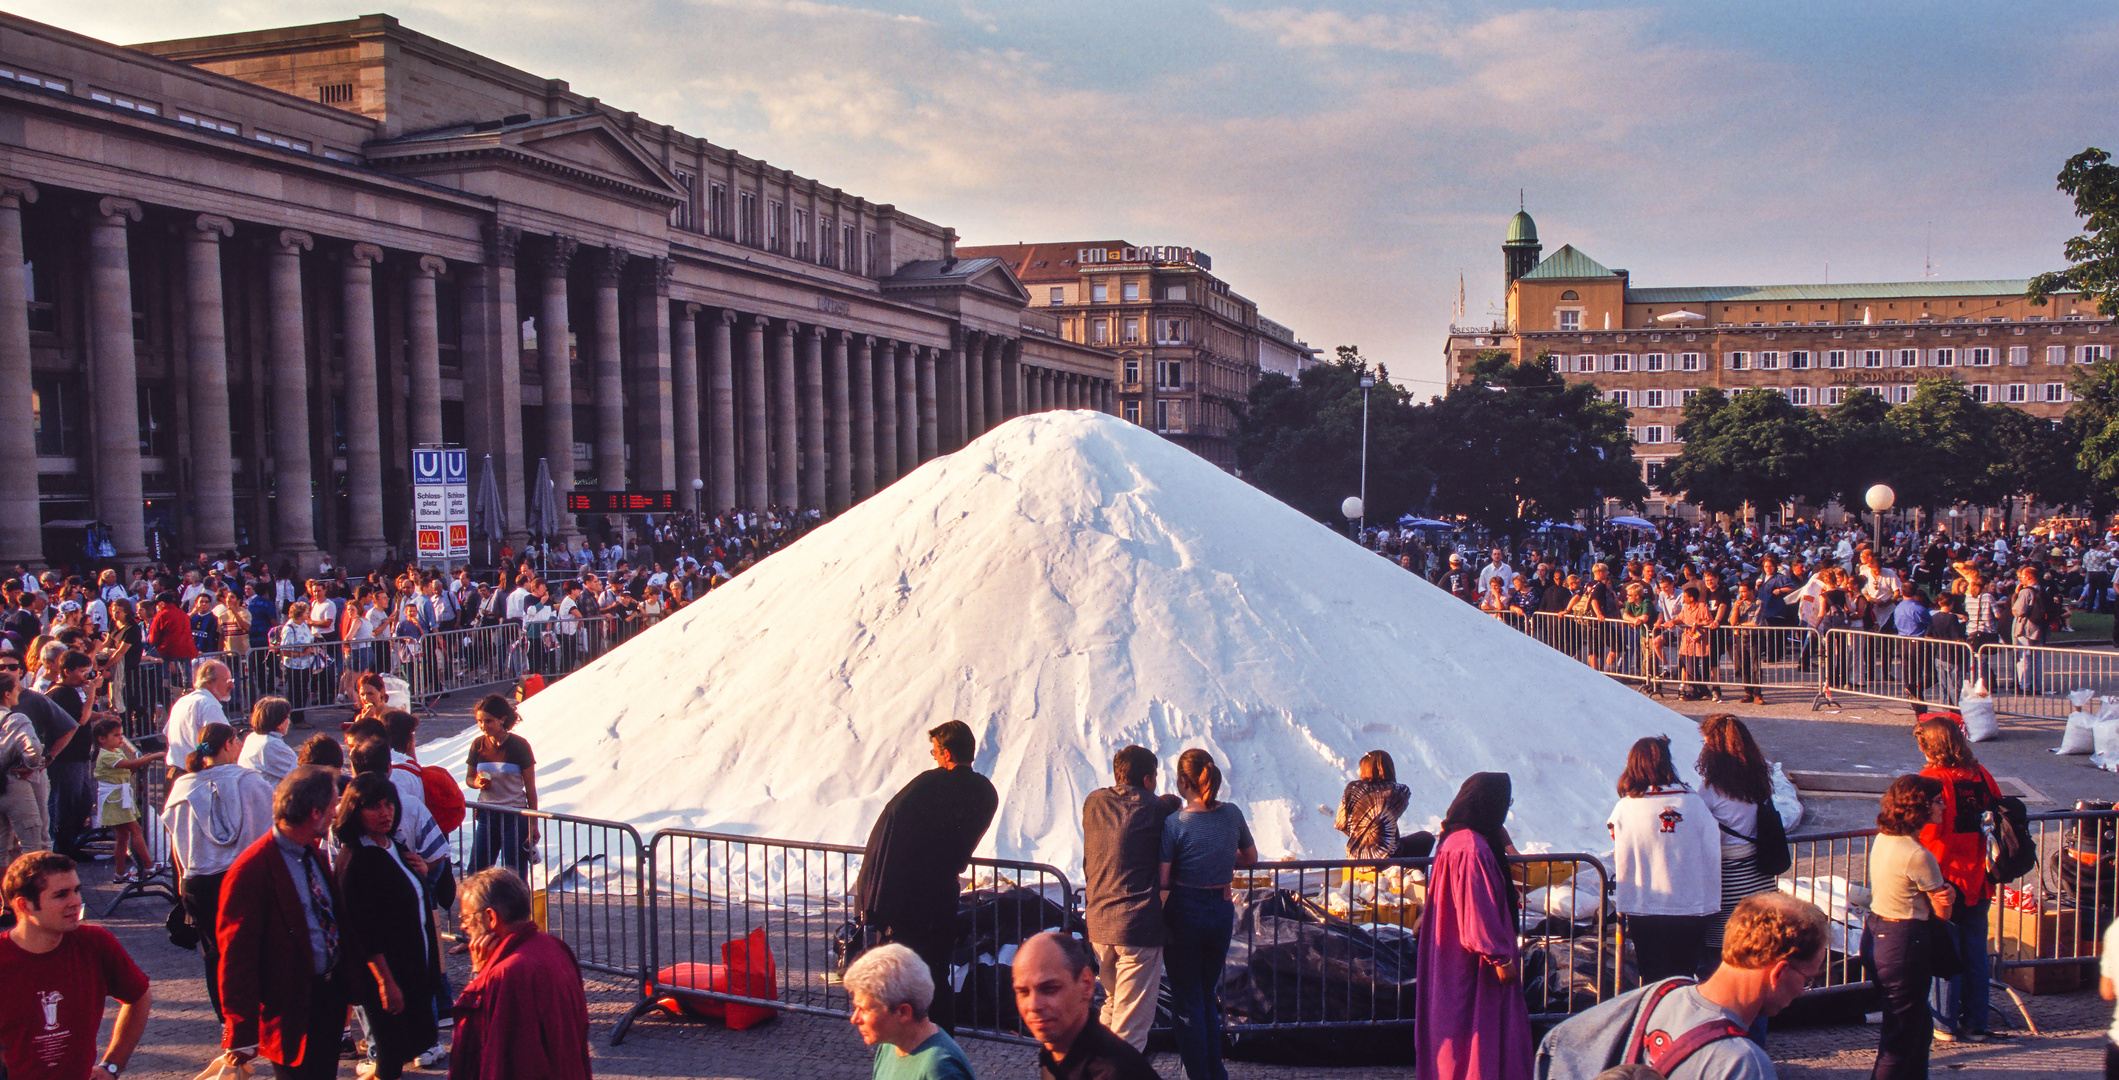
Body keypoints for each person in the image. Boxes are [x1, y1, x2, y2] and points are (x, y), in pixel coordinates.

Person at [1535, 893, 1830, 1080]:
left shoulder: (1657, 995)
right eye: (1808, 978)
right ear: (1778, 971)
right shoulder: (1743, 1065)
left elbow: (1556, 1046)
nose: (1804, 991)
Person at [854, 720, 1000, 1035]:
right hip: (943, 896)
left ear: (946, 754)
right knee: (936, 974)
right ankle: (940, 1039)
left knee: (905, 977)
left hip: (909, 901)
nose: (933, 758)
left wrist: (874, 901)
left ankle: (909, 1042)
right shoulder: (985, 792)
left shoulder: (927, 787)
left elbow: (891, 836)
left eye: (935, 752)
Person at [215, 766, 350, 1080]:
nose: (335, 813)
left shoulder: (310, 852)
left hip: (327, 1001)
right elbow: (237, 958)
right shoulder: (252, 870)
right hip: (292, 1011)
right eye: (332, 807)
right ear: (314, 813)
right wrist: (240, 1032)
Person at [1416, 772, 1532, 1080]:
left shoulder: (1455, 841)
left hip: (1452, 956)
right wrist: (1501, 957)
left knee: (1455, 1028)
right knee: (1476, 1033)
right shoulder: (1472, 848)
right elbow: (1476, 911)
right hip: (1474, 964)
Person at [0, 852, 152, 1078]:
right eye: (61, 895)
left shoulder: (95, 943)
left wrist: (112, 1066)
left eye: (77, 890)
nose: (76, 901)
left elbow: (139, 995)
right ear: (24, 905)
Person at [162, 720, 274, 1021]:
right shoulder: (249, 782)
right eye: (236, 741)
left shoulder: (181, 787)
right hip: (239, 876)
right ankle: (258, 1011)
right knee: (252, 946)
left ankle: (227, 1018)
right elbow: (268, 831)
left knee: (213, 952)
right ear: (228, 744)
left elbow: (176, 844)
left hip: (198, 880)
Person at [334, 773, 440, 1080]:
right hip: (387, 974)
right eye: (373, 806)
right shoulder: (355, 861)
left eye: (389, 803)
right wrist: (386, 982)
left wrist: (419, 871)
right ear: (354, 811)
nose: (385, 812)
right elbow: (362, 931)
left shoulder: (392, 845)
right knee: (391, 1055)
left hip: (412, 966)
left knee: (408, 1045)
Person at [1159, 748, 1256, 1080]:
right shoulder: (1232, 814)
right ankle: (1216, 1072)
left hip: (1185, 910)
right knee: (1206, 994)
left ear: (1184, 781)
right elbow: (1250, 857)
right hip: (1221, 911)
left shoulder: (1175, 823)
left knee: (1187, 1002)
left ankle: (1200, 1075)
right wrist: (1222, 861)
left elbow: (1163, 878)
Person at [448, 867, 592, 1080]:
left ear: (491, 917)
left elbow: (491, 1052)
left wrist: (480, 974)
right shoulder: (555, 946)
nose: (463, 925)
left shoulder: (506, 974)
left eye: (466, 917)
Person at [1080, 745, 1179, 1051]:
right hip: (1137, 926)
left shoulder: (1093, 802)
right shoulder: (1157, 810)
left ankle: (1094, 1069)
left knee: (1111, 1006)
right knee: (1132, 1028)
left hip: (1098, 924)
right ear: (1149, 779)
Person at [1915, 718, 2005, 1043]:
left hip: (1943, 881)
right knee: (1975, 954)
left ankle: (1945, 1023)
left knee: (1943, 955)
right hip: (1978, 879)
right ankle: (1977, 1022)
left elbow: (1925, 835)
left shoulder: (1930, 780)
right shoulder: (1982, 776)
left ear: (1932, 745)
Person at [1608, 736, 1721, 982]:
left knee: (1653, 979)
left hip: (1646, 904)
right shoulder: (1694, 803)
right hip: (1689, 905)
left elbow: (1616, 836)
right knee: (1683, 977)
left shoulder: (1626, 808)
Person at [1866, 774, 1954, 1080]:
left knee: (1916, 1027)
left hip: (1877, 933)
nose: (1943, 806)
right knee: (1900, 1037)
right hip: (1904, 942)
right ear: (1922, 807)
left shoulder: (1883, 838)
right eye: (1938, 801)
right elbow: (1942, 912)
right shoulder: (1918, 855)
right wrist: (1949, 897)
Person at [1693, 716, 1781, 979]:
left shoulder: (1712, 789)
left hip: (1728, 878)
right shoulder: (1759, 779)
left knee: (1722, 951)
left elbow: (1699, 825)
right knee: (1757, 951)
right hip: (1761, 874)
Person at [1013, 930, 1159, 1080]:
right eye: (1023, 992)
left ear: (1086, 985)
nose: (1034, 1005)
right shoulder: (1055, 1053)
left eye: (1050, 989)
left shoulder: (1114, 1072)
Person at [845, 942, 975, 1080]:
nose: (854, 1019)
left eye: (864, 1009)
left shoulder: (940, 1070)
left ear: (903, 1013)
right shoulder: (890, 1044)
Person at [465, 694, 538, 879]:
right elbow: (469, 778)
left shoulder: (519, 746)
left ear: (502, 720)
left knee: (514, 873)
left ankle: (517, 907)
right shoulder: (478, 744)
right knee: (476, 871)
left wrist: (533, 824)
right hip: (487, 814)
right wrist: (477, 783)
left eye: (488, 721)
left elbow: (530, 788)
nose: (483, 726)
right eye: (479, 721)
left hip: (514, 815)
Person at [89, 719, 156, 883]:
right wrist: (154, 756)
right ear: (102, 739)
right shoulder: (106, 756)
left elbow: (129, 769)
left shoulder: (116, 752)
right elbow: (130, 764)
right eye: (116, 735)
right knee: (136, 830)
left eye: (121, 735)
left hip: (120, 798)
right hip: (114, 800)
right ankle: (149, 866)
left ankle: (119, 872)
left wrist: (143, 760)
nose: (121, 739)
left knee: (123, 836)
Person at [1335, 749, 1425, 860]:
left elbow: (1340, 824)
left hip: (1356, 856)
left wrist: (1360, 833)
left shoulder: (1352, 788)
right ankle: (1410, 872)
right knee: (1426, 839)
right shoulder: (1399, 791)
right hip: (1388, 857)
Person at [0, 670, 50, 858]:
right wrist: (31, 765)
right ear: (6, 694)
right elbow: (34, 749)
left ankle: (4, 888)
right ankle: (35, 887)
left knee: (1, 850)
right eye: (16, 689)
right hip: (13, 782)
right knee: (32, 844)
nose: (18, 692)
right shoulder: (17, 719)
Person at [164, 659, 235, 782]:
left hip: (176, 775)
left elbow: (166, 733)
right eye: (227, 681)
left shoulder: (182, 701)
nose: (232, 686)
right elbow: (227, 741)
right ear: (208, 683)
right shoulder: (208, 704)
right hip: (197, 778)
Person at [239, 697, 300, 784]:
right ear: (279, 724)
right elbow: (299, 773)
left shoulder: (252, 737)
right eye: (287, 718)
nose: (289, 721)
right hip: (269, 794)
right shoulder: (270, 744)